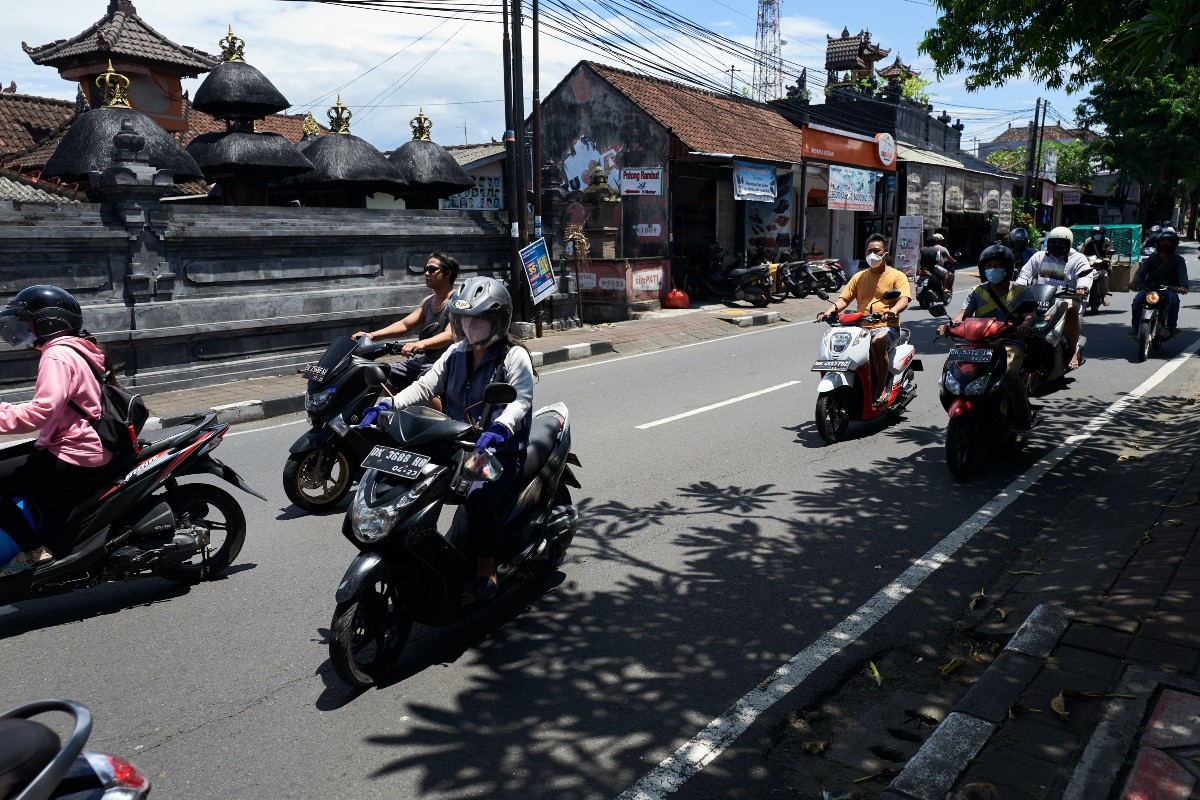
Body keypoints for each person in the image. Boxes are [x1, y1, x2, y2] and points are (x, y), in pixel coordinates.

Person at [387, 276, 535, 599]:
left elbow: (521, 400)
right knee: (416, 479)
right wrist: (391, 403)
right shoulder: (456, 352)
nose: (471, 327)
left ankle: (486, 563)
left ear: (498, 321)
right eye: (466, 319)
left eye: (480, 320)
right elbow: (427, 385)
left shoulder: (514, 357)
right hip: (461, 446)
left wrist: (500, 427)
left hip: (500, 452)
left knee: (478, 497)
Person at [0, 286, 128, 576]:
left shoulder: (56, 356)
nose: (21, 328)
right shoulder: (76, 348)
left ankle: (33, 551)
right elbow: (55, 405)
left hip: (76, 451)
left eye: (26, 322)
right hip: (81, 443)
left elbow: (38, 414)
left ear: (48, 322)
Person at [938, 245, 1039, 430]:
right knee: (953, 373)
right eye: (989, 265)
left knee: (1009, 375)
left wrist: (1025, 325)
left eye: (999, 265)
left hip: (1009, 342)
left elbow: (1030, 315)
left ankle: (1022, 416)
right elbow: (962, 316)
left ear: (1009, 268)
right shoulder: (977, 291)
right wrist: (950, 325)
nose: (993, 269)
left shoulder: (1021, 291)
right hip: (978, 344)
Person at [817, 233, 912, 407]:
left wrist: (892, 311)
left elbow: (904, 299)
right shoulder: (859, 277)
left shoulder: (897, 276)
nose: (873, 255)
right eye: (870, 251)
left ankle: (881, 388)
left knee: (877, 343)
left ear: (886, 253)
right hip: (860, 327)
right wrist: (828, 311)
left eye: (877, 251)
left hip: (887, 327)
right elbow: (843, 299)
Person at [353, 251, 459, 392]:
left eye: (432, 269)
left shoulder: (457, 301)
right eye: (425, 269)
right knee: (385, 375)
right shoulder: (428, 302)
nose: (427, 273)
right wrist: (371, 335)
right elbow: (404, 324)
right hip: (426, 360)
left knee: (425, 383)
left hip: (446, 362)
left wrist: (420, 343)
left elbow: (450, 335)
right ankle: (397, 411)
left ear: (448, 273)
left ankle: (436, 414)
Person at [1015, 226, 1092, 370]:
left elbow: (1085, 276)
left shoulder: (1078, 258)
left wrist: (1082, 287)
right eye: (1053, 242)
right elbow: (1025, 273)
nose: (1057, 246)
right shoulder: (1039, 256)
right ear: (1048, 243)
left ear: (1068, 244)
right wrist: (1019, 285)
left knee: (1070, 310)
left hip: (1066, 298)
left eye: (1061, 243)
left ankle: (1072, 349)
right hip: (1039, 297)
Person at [1130, 227, 1188, 338]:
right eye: (1163, 242)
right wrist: (1135, 282)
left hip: (1169, 289)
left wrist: (1183, 286)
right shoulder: (1151, 259)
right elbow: (1141, 272)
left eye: (1168, 243)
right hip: (1149, 288)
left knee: (1174, 301)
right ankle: (1135, 327)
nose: (1165, 244)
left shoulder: (1179, 260)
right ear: (1158, 244)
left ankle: (1171, 328)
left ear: (1174, 245)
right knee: (1137, 301)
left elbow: (1182, 275)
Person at [1080, 224, 1116, 311]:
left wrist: (1107, 258)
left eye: (1098, 233)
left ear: (1103, 234)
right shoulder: (1089, 243)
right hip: (1090, 266)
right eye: (1095, 233)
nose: (1097, 235)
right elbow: (1082, 253)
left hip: (1103, 267)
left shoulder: (1107, 243)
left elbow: (1110, 251)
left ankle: (1104, 295)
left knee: (1103, 275)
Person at [919, 232, 957, 302]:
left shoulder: (922, 249)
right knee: (946, 274)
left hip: (923, 268)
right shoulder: (937, 250)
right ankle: (944, 288)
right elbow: (937, 259)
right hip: (933, 267)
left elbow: (919, 259)